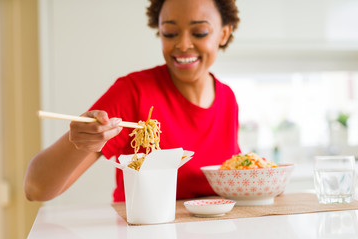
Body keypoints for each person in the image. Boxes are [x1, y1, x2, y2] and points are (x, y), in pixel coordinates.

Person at [24, 0, 241, 202]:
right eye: (170, 32)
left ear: (224, 34)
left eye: (199, 32)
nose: (183, 45)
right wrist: (79, 143)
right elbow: (36, 189)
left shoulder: (227, 98)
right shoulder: (134, 92)